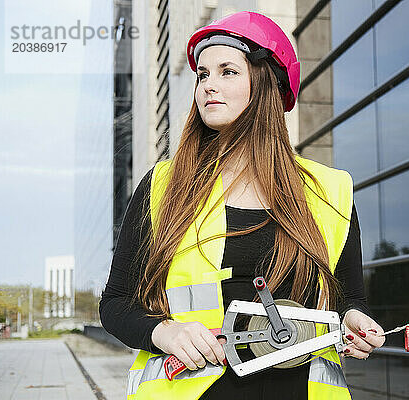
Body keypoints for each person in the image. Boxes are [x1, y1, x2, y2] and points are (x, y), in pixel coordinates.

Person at [99, 11, 385, 400]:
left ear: (265, 84)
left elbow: (349, 300)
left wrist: (356, 323)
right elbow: (116, 303)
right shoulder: (164, 186)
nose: (207, 87)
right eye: (202, 74)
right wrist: (166, 331)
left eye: (227, 72)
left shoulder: (331, 191)